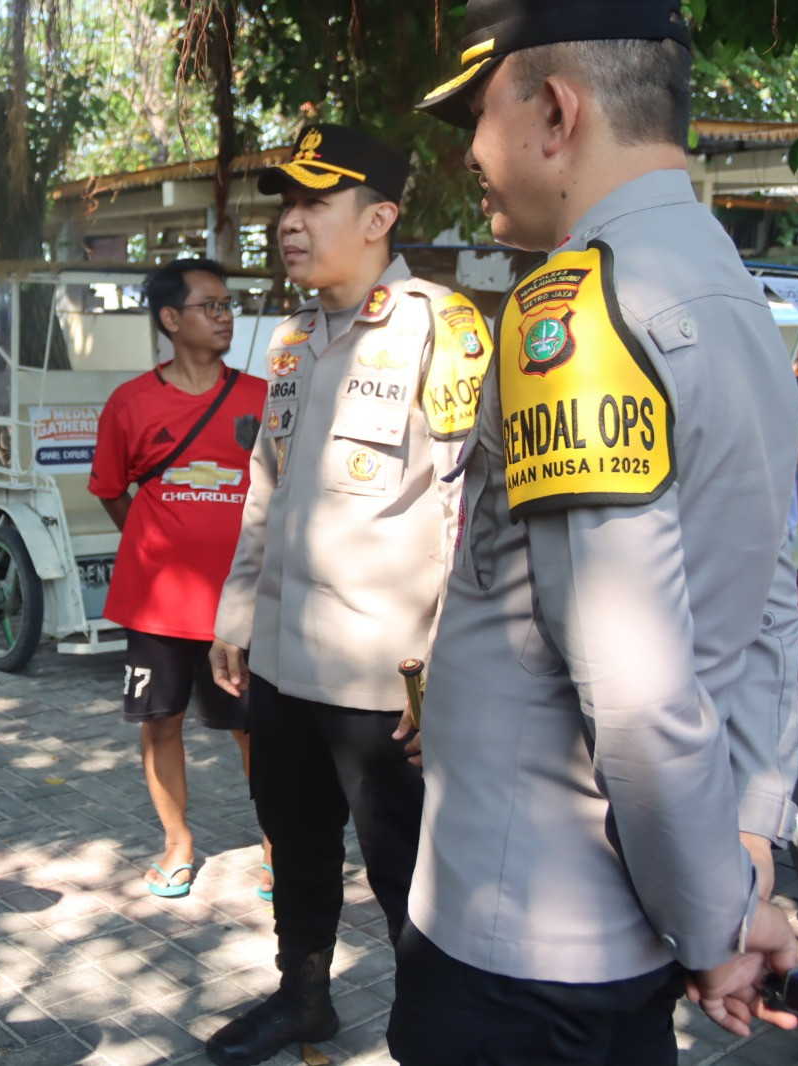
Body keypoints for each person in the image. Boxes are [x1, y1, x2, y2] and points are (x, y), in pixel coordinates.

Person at [391, 2, 798, 1060]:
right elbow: (767, 607)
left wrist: (716, 930)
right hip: (623, 925)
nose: (471, 155)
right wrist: (745, 849)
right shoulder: (737, 301)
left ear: (555, 112)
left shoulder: (573, 318)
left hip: (523, 942)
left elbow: (635, 688)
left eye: (478, 116)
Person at [204, 124, 494, 1065]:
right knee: (293, 841)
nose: (289, 224)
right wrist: (236, 613)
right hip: (285, 662)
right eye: (285, 206)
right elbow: (266, 485)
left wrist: (451, 667)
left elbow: (468, 509)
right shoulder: (292, 340)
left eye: (313, 204)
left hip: (386, 678)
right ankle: (303, 997)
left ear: (379, 218)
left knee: (408, 867)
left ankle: (433, 1031)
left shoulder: (440, 328)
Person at [87, 258, 271, 900]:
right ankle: (177, 844)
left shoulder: (262, 398)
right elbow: (111, 490)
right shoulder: (131, 403)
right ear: (170, 318)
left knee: (254, 727)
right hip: (158, 606)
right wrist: (155, 542)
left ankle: (277, 846)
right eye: (209, 305)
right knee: (160, 722)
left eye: (227, 305)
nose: (224, 316)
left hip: (240, 604)